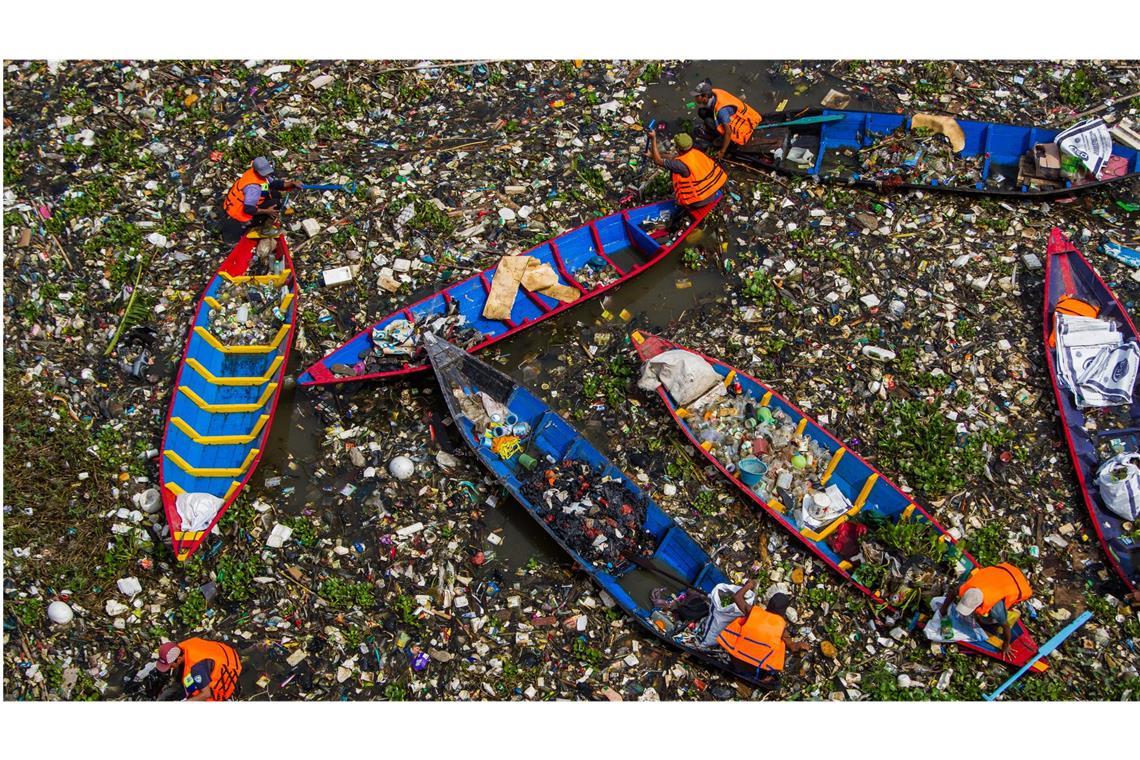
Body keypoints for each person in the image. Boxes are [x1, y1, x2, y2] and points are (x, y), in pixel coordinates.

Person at [716, 581, 807, 686]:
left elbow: (737, 597)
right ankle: (766, 678)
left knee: (743, 624)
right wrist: (800, 645)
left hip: (735, 657)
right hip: (755, 667)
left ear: (769, 604)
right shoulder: (781, 627)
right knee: (780, 645)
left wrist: (748, 586)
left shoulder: (753, 611)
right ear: (784, 611)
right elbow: (792, 647)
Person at [939, 562, 1032, 657]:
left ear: (980, 603)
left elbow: (1006, 627)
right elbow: (952, 593)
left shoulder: (996, 609)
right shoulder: (967, 587)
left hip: (1018, 581)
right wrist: (943, 609)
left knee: (988, 621)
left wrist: (1006, 644)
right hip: (1004, 572)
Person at [220, 156, 301, 244]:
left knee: (275, 194)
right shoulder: (253, 188)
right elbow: (249, 209)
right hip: (240, 215)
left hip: (238, 206)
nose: (267, 174)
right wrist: (267, 211)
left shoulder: (255, 174)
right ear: (257, 171)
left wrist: (291, 183)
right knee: (275, 204)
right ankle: (264, 229)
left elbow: (274, 184)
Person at [646, 131, 726, 210]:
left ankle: (685, 203)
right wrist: (651, 155)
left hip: (699, 201)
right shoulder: (696, 152)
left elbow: (658, 161)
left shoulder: (680, 165)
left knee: (674, 172)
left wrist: (653, 138)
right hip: (712, 191)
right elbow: (673, 157)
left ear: (678, 149)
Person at [154, 637, 243, 701]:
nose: (170, 668)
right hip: (224, 652)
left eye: (170, 665)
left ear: (179, 659)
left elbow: (206, 694)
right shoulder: (184, 645)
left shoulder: (196, 669)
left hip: (230, 665)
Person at [692, 79, 763, 159]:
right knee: (702, 112)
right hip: (738, 115)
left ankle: (725, 140)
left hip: (743, 128)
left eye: (697, 96)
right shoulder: (714, 93)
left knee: (708, 121)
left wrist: (722, 151)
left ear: (705, 96)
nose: (695, 98)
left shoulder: (721, 111)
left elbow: (728, 132)